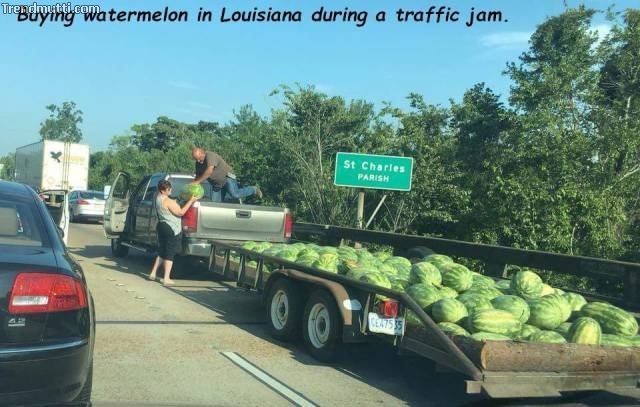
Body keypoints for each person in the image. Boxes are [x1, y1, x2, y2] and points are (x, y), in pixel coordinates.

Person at [148, 180, 198, 285]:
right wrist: (190, 201)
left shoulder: (157, 198)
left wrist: (180, 199)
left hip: (161, 225)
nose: (171, 190)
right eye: (169, 189)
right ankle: (166, 278)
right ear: (163, 190)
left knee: (162, 250)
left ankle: (153, 273)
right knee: (170, 252)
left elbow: (173, 203)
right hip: (171, 227)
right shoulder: (167, 201)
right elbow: (180, 212)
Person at [190, 147, 263, 203]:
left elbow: (209, 171)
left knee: (235, 194)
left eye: (199, 158)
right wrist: (192, 186)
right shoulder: (198, 164)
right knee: (215, 205)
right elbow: (198, 177)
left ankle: (254, 189)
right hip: (217, 185)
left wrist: (198, 181)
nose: (198, 161)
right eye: (196, 159)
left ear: (202, 153)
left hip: (227, 177)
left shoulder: (210, 155)